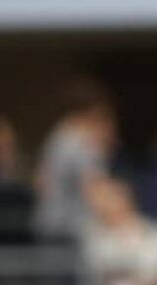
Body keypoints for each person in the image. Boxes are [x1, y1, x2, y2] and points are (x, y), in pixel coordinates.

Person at [35, 80, 117, 241]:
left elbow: (39, 182)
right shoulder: (82, 143)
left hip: (48, 225)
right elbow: (95, 191)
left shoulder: (56, 138)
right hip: (71, 232)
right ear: (93, 112)